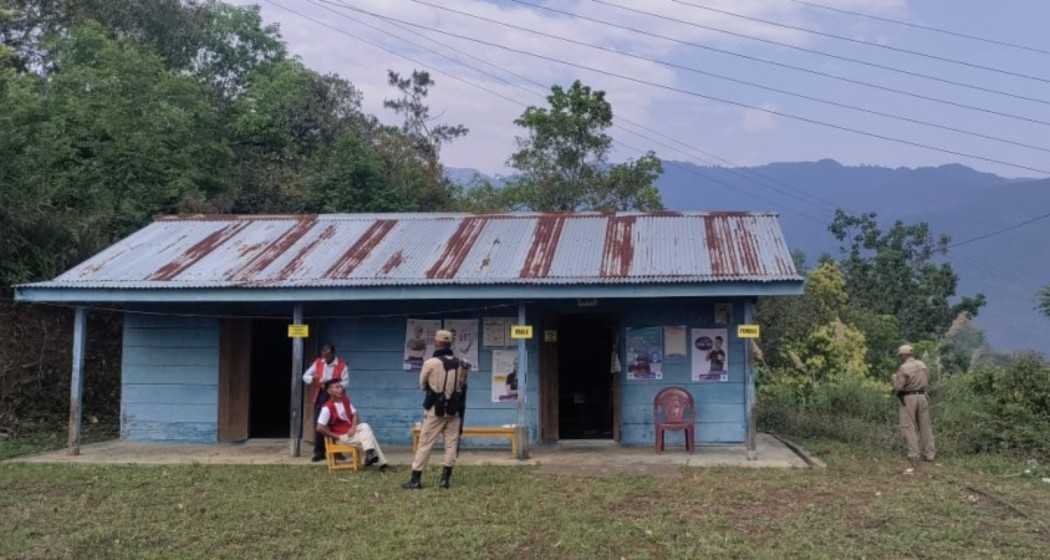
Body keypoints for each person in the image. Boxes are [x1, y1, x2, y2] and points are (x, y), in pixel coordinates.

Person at [402, 329, 470, 490]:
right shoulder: (462, 363)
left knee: (425, 443)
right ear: (450, 343)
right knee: (451, 444)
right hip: (454, 410)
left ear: (437, 343)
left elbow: (422, 384)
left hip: (434, 409)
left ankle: (415, 479)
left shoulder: (430, 363)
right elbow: (462, 384)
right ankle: (445, 480)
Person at [315, 379, 388, 471]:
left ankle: (370, 453)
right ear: (329, 391)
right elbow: (319, 428)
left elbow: (354, 414)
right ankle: (381, 463)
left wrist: (353, 427)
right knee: (370, 438)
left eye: (341, 386)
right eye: (337, 387)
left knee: (365, 426)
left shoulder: (345, 400)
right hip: (341, 436)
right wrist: (336, 436)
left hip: (351, 432)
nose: (340, 389)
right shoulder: (327, 408)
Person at [892, 344, 936, 473]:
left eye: (900, 355)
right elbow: (927, 379)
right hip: (923, 396)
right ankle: (930, 454)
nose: (900, 357)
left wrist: (894, 379)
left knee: (908, 426)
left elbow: (899, 387)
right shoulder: (922, 365)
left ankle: (914, 454)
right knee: (925, 426)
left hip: (909, 397)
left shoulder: (904, 367)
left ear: (904, 355)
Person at [302, 343, 349, 462]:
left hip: (336, 397)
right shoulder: (318, 362)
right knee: (320, 424)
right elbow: (305, 376)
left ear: (333, 353)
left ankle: (337, 452)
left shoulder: (342, 365)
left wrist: (334, 386)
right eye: (323, 354)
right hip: (321, 396)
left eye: (327, 355)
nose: (325, 357)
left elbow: (346, 382)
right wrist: (313, 378)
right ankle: (319, 452)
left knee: (336, 424)